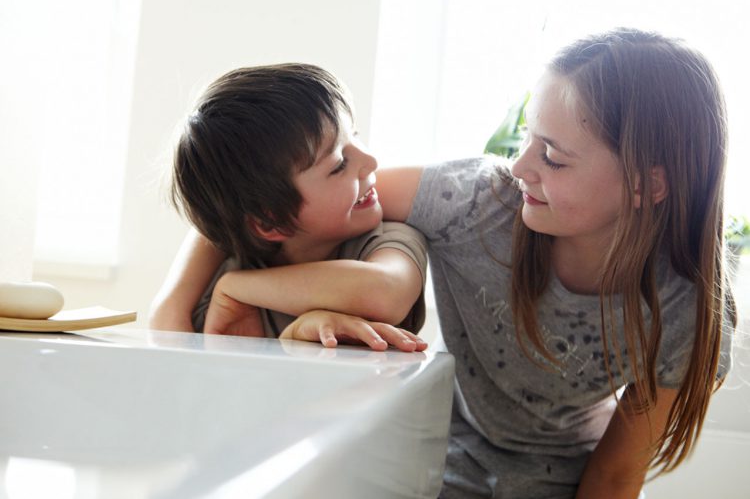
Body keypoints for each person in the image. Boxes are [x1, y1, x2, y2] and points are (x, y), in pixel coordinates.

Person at [148, 29, 736, 498]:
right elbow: (264, 202)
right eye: (527, 139)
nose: (520, 165)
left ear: (646, 184)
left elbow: (613, 479)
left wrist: (241, 289)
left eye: (552, 157)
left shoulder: (689, 309)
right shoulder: (478, 203)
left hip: (558, 480)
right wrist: (175, 311)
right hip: (428, 461)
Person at [149, 63, 428, 353]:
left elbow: (387, 291)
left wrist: (237, 288)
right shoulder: (215, 280)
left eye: (355, 136)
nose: (371, 161)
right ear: (271, 223)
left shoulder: (384, 241)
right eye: (339, 165)